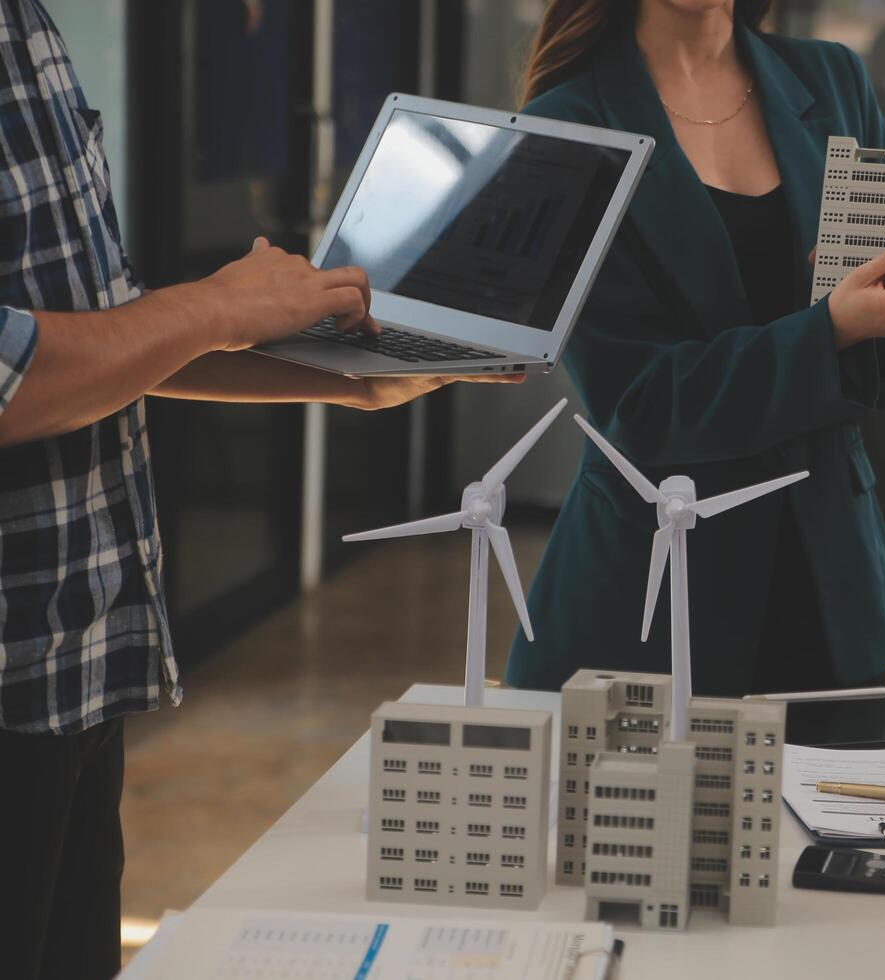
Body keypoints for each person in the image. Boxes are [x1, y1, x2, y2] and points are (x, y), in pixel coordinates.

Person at [0, 2, 517, 976]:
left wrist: (340, 375)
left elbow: (93, 333)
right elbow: (15, 375)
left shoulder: (30, 29)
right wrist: (224, 304)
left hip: (71, 667)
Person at [503, 0, 885, 697]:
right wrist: (829, 330)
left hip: (833, 594)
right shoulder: (569, 123)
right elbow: (640, 404)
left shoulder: (834, 78)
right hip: (656, 595)